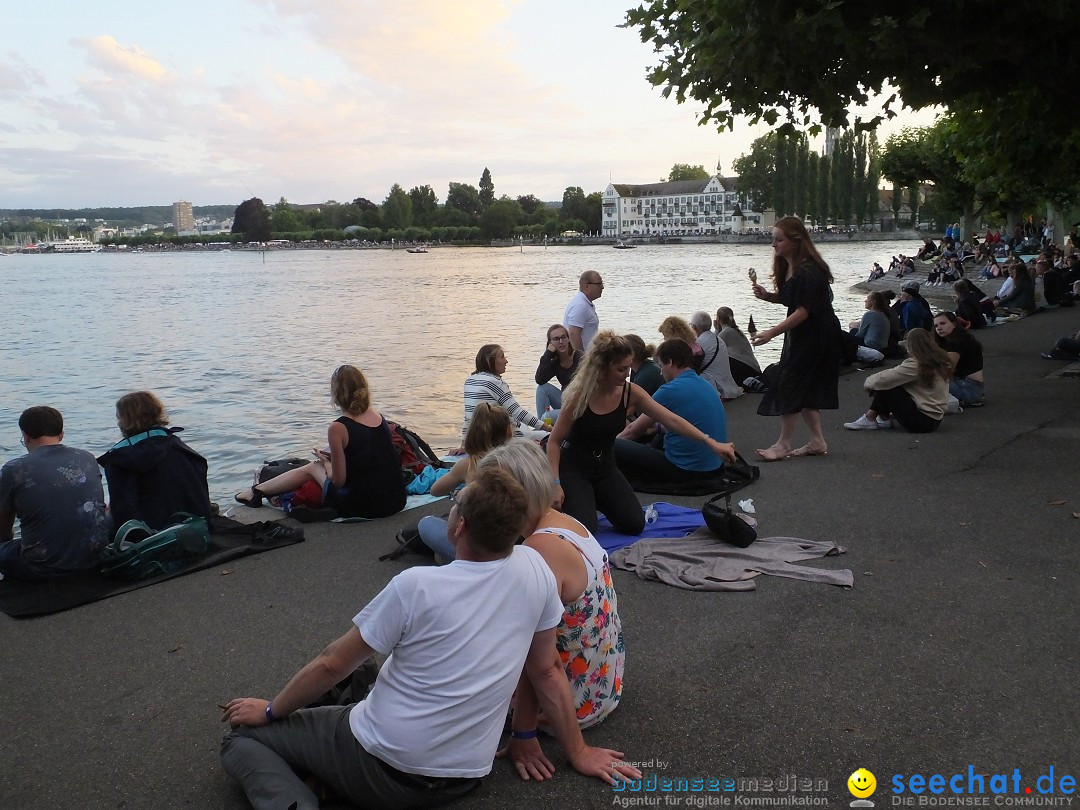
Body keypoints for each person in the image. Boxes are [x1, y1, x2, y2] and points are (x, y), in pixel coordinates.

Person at [220, 467, 641, 810]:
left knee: (242, 738)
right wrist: (579, 751)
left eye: (455, 505)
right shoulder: (535, 569)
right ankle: (330, 782)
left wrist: (272, 709)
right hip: (464, 777)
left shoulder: (415, 585)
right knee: (362, 683)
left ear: (458, 525)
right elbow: (546, 671)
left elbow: (333, 663)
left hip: (387, 766)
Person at [478, 440, 624, 731]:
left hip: (569, 699)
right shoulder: (567, 522)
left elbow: (535, 655)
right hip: (604, 683)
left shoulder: (537, 550)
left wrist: (523, 732)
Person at [548, 332, 735, 535]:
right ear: (602, 367)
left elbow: (670, 419)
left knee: (634, 524)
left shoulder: (630, 392)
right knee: (585, 532)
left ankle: (593, 497)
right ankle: (577, 501)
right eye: (621, 369)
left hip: (605, 467)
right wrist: (555, 484)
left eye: (629, 367)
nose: (628, 373)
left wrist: (710, 442)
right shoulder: (578, 397)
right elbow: (554, 442)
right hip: (575, 468)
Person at [234, 365, 406, 521]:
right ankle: (257, 491)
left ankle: (256, 491)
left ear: (336, 393)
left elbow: (338, 481)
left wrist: (326, 463)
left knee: (312, 467)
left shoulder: (338, 427)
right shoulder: (378, 416)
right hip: (396, 500)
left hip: (366, 507)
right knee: (321, 465)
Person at [750, 216, 842, 460]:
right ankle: (817, 441)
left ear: (795, 241)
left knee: (789, 382)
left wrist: (770, 332)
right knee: (806, 387)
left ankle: (783, 445)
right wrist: (768, 296)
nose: (774, 245)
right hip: (809, 333)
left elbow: (803, 311)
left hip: (818, 334)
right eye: (774, 240)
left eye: (779, 240)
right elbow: (793, 299)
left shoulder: (809, 270)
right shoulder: (792, 266)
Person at [0, 406, 111, 580]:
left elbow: (3, 530)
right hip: (94, 557)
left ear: (26, 436)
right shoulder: (87, 457)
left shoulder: (13, 469)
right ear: (61, 434)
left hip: (42, 566)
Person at [614, 339, 730, 483]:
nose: (661, 373)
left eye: (661, 366)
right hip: (714, 466)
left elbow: (632, 430)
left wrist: (608, 448)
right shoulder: (705, 384)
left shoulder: (669, 390)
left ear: (669, 362)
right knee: (655, 433)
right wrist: (656, 428)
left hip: (686, 470)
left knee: (615, 446)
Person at [97, 391, 212, 531]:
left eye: (119, 418)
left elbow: (123, 512)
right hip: (193, 526)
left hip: (150, 536)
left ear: (127, 420)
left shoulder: (118, 459)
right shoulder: (177, 446)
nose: (118, 423)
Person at [417, 403, 513, 560]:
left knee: (426, 523)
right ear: (508, 431)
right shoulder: (518, 461)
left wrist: (460, 480)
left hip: (477, 551)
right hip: (510, 542)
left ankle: (454, 562)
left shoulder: (468, 465)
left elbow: (435, 490)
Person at [843, 329, 951, 434]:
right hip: (934, 419)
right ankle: (882, 418)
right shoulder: (938, 361)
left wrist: (868, 383)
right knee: (891, 382)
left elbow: (884, 379)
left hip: (921, 422)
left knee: (887, 384)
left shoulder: (916, 365)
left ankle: (871, 418)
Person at [462, 344, 550, 443]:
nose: (506, 361)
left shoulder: (469, 381)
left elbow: (468, 418)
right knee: (549, 436)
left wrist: (464, 444)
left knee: (522, 424)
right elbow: (518, 412)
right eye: (502, 357)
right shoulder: (494, 382)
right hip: (497, 438)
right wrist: (548, 428)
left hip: (477, 438)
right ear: (491, 361)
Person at [933, 311, 985, 407]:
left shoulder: (957, 342)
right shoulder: (957, 339)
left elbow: (947, 369)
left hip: (968, 389)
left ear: (954, 324)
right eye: (936, 326)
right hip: (970, 387)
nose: (939, 328)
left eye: (943, 323)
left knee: (926, 382)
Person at [534, 324, 582, 419]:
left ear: (568, 339)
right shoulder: (555, 362)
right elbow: (539, 380)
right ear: (550, 343)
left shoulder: (580, 358)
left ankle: (542, 428)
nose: (561, 342)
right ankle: (543, 430)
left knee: (546, 417)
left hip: (581, 406)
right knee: (542, 389)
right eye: (556, 339)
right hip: (566, 402)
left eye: (563, 337)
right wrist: (547, 354)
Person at [689, 311, 741, 399]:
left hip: (715, 390)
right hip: (730, 389)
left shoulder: (698, 345)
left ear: (694, 327)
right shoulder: (719, 340)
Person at [714, 306, 762, 384]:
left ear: (718, 319)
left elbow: (714, 346)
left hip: (747, 369)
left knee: (723, 359)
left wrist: (716, 329)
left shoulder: (726, 332)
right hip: (753, 368)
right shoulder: (736, 331)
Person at [563, 271, 603, 352]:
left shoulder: (585, 303)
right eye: (598, 284)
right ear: (586, 286)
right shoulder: (580, 305)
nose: (602, 287)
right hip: (583, 359)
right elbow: (573, 333)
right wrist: (581, 358)